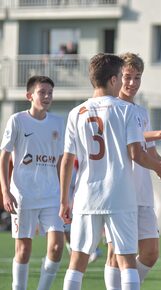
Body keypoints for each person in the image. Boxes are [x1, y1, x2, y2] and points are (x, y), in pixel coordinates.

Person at [60, 53, 161, 290]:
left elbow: (67, 161)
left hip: (86, 196)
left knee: (77, 261)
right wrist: (159, 167)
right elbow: (137, 154)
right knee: (127, 261)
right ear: (112, 80)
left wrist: (63, 201)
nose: (124, 82)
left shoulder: (75, 113)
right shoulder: (126, 110)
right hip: (120, 195)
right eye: (122, 76)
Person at [104, 52, 161, 289]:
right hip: (119, 192)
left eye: (137, 78)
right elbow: (124, 140)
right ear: (117, 77)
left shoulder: (140, 112)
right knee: (118, 254)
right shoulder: (111, 107)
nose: (132, 83)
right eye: (127, 77)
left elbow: (152, 155)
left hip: (143, 193)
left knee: (151, 253)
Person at [0, 75, 65, 290]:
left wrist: (65, 195)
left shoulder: (58, 122)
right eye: (42, 92)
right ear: (30, 96)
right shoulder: (17, 120)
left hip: (51, 196)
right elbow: (4, 157)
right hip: (23, 196)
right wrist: (6, 191)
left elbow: (60, 161)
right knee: (23, 251)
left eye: (50, 93)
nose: (47, 96)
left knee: (56, 247)